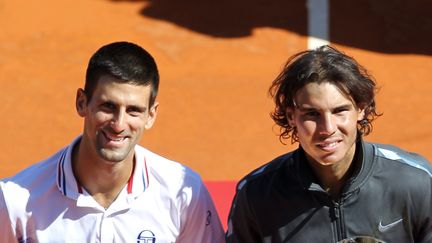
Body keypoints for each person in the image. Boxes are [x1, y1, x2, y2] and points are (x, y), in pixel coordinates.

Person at [0, 41, 225, 242]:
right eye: (108, 106)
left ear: (151, 115)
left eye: (134, 111)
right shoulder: (15, 201)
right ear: (81, 103)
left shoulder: (183, 194)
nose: (118, 124)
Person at [226, 46, 432, 242]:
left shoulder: (415, 183)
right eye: (312, 114)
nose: (327, 129)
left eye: (339, 111)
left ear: (361, 109)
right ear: (291, 116)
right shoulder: (257, 195)